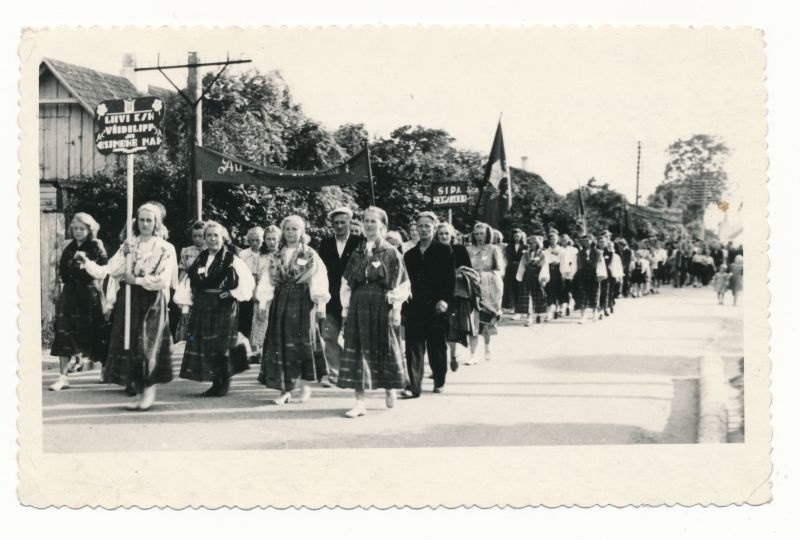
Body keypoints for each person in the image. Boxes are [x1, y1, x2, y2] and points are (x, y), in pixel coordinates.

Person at [79, 203, 178, 411]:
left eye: (149, 220)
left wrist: (137, 281)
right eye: (141, 220)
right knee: (131, 346)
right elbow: (110, 270)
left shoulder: (165, 248)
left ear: (156, 223)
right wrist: (91, 262)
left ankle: (149, 391)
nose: (144, 224)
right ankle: (139, 392)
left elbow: (163, 280)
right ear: (136, 221)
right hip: (129, 300)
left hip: (151, 300)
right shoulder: (129, 244)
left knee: (146, 346)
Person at [336, 206, 411, 417]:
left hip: (380, 304)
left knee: (384, 347)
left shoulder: (390, 252)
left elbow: (401, 283)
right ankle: (359, 401)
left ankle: (390, 387)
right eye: (366, 221)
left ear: (383, 226)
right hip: (359, 304)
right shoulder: (358, 251)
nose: (369, 225)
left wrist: (396, 309)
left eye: (373, 221)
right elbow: (346, 283)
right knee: (358, 349)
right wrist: (346, 309)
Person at [256, 215, 330, 404]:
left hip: (303, 302)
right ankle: (284, 390)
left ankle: (305, 386)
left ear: (302, 232)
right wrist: (263, 303)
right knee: (280, 345)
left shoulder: (309, 254)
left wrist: (321, 305)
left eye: (295, 229)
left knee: (302, 344)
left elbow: (318, 279)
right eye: (287, 229)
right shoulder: (276, 255)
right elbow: (267, 280)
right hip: (281, 302)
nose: (290, 233)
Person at [176, 221, 255, 396]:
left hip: (223, 306)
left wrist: (233, 293)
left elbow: (248, 283)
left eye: (216, 235)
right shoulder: (201, 259)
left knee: (221, 345)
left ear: (223, 238)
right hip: (203, 305)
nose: (212, 239)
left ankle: (223, 383)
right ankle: (217, 380)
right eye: (209, 236)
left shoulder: (232, 259)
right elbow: (189, 283)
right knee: (207, 344)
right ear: (205, 238)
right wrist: (185, 308)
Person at [49, 213, 109, 391]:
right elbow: (62, 271)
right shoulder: (69, 247)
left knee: (96, 331)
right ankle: (63, 377)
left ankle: (105, 370)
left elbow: (103, 270)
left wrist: (85, 264)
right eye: (75, 228)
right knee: (64, 332)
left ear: (90, 230)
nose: (78, 232)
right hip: (70, 294)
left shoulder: (96, 246)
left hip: (89, 294)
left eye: (82, 229)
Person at [402, 211, 455, 397]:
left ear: (434, 228)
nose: (423, 229)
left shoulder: (444, 250)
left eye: (427, 226)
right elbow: (405, 281)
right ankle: (415, 386)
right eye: (420, 226)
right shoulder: (409, 255)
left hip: (437, 307)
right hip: (415, 306)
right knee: (413, 347)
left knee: (436, 347)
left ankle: (439, 380)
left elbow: (450, 279)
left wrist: (445, 300)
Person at [317, 207, 362, 387]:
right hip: (331, 297)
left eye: (343, 222)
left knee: (352, 337)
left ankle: (352, 372)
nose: (339, 226)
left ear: (350, 222)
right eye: (336, 223)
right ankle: (334, 374)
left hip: (353, 296)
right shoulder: (326, 244)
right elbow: (320, 271)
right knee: (329, 336)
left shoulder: (361, 242)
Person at [437, 222, 478, 371]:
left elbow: (469, 272)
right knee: (438, 330)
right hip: (437, 294)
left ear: (452, 235)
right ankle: (439, 363)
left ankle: (453, 355)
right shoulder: (433, 251)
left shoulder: (460, 250)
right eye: (441, 233)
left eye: (446, 233)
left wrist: (456, 273)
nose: (444, 236)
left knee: (452, 329)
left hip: (456, 295)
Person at [465, 222, 505, 364]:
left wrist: (487, 276)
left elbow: (500, 270)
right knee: (473, 322)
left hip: (488, 289)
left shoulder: (493, 249)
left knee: (486, 322)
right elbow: (464, 267)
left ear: (487, 234)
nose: (479, 236)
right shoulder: (468, 249)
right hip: (472, 288)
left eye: (482, 233)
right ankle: (473, 354)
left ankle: (487, 347)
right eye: (476, 234)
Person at [249, 224, 280, 356]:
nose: (272, 242)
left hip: (278, 294)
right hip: (262, 295)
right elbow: (254, 276)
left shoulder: (283, 254)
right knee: (261, 321)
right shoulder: (260, 256)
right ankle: (258, 353)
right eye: (268, 239)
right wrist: (254, 292)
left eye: (274, 239)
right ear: (265, 240)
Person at [174, 220, 206, 342]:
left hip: (202, 284)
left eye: (200, 236)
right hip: (188, 285)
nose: (197, 239)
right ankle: (184, 340)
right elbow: (183, 270)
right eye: (195, 236)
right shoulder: (186, 251)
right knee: (186, 313)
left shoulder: (209, 250)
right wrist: (178, 286)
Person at [237, 226, 264, 342]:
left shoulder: (267, 254)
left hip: (263, 290)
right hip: (247, 289)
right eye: (251, 240)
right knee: (246, 319)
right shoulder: (243, 254)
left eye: (257, 240)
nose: (254, 243)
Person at [572, 233, 607, 323]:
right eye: (584, 241)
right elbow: (576, 265)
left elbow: (601, 264)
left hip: (594, 276)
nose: (586, 243)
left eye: (587, 240)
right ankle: (583, 316)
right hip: (582, 276)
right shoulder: (579, 253)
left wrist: (601, 275)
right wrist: (572, 275)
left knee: (594, 295)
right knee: (582, 295)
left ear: (592, 241)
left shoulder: (598, 253)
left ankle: (595, 313)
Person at [516, 235, 549, 326]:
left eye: (533, 243)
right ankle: (529, 318)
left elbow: (545, 266)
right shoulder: (525, 254)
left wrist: (544, 279)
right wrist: (520, 277)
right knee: (527, 298)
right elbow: (522, 266)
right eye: (529, 243)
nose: (531, 245)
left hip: (538, 277)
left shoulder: (543, 254)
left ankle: (538, 314)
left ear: (538, 244)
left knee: (538, 296)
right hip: (527, 276)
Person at [502, 228, 528, 318]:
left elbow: (525, 257)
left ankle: (521, 309)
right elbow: (508, 257)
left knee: (521, 289)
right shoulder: (508, 247)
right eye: (515, 236)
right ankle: (514, 307)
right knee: (512, 289)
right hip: (511, 270)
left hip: (521, 269)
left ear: (521, 237)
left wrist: (519, 262)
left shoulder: (525, 247)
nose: (516, 238)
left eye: (518, 236)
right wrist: (513, 262)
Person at [544, 232, 564, 320]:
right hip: (548, 272)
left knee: (558, 291)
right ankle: (549, 313)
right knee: (549, 292)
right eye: (551, 239)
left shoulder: (562, 251)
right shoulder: (545, 251)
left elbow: (565, 263)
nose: (553, 241)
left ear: (557, 240)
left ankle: (557, 309)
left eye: (554, 239)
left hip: (558, 272)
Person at [558, 234, 578, 316]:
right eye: (562, 240)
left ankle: (569, 306)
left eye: (565, 240)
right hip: (560, 272)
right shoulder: (558, 249)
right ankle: (561, 308)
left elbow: (575, 262)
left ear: (568, 240)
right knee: (561, 291)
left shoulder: (574, 250)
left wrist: (571, 273)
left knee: (570, 291)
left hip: (571, 272)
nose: (564, 242)